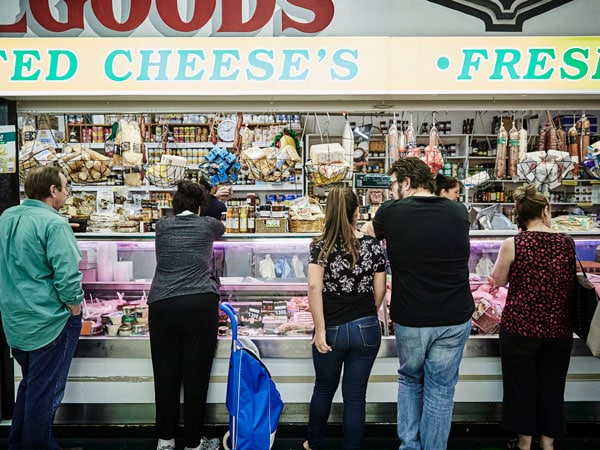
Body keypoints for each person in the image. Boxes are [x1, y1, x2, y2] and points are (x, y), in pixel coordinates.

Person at [369, 157, 473, 450]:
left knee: (411, 381)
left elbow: (366, 235)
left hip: (412, 317)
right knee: (441, 390)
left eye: (392, 184)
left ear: (406, 182)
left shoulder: (389, 212)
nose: (390, 191)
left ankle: (410, 447)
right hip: (455, 316)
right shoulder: (458, 211)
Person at [0, 166, 83, 450]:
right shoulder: (54, 224)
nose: (67, 192)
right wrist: (74, 310)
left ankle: (19, 444)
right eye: (65, 187)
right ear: (52, 191)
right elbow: (68, 276)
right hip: (49, 322)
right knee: (45, 394)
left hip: (15, 319)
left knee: (30, 386)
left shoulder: (7, 216)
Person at [490, 183, 575, 450]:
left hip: (520, 329)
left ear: (520, 215)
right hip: (558, 328)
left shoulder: (513, 243)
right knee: (552, 388)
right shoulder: (566, 242)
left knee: (521, 387)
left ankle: (524, 443)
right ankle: (548, 444)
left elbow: (498, 279)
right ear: (546, 211)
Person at [303, 186, 387, 450]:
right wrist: (365, 315)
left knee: (324, 389)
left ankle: (313, 444)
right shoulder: (373, 245)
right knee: (355, 397)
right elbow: (381, 289)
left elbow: (315, 286)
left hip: (332, 328)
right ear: (355, 211)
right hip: (366, 327)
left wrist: (320, 330)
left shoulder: (319, 246)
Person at [148, 180, 225, 450]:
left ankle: (165, 440)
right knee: (196, 375)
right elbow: (221, 223)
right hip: (199, 305)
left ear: (174, 204)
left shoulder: (161, 226)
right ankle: (193, 442)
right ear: (199, 206)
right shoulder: (208, 225)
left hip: (162, 305)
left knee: (165, 375)